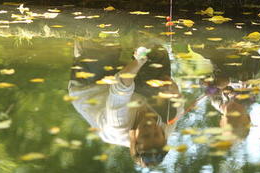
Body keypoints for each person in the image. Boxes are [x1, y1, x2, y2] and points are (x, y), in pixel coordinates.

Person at [68, 40, 183, 168]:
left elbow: (120, 86)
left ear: (134, 139)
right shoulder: (168, 123)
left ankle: (86, 47)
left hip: (93, 86)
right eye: (156, 134)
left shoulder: (117, 125)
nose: (151, 128)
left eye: (145, 135)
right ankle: (136, 42)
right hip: (135, 92)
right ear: (163, 135)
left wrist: (140, 60)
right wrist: (173, 91)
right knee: (157, 54)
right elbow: (177, 102)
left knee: (104, 43)